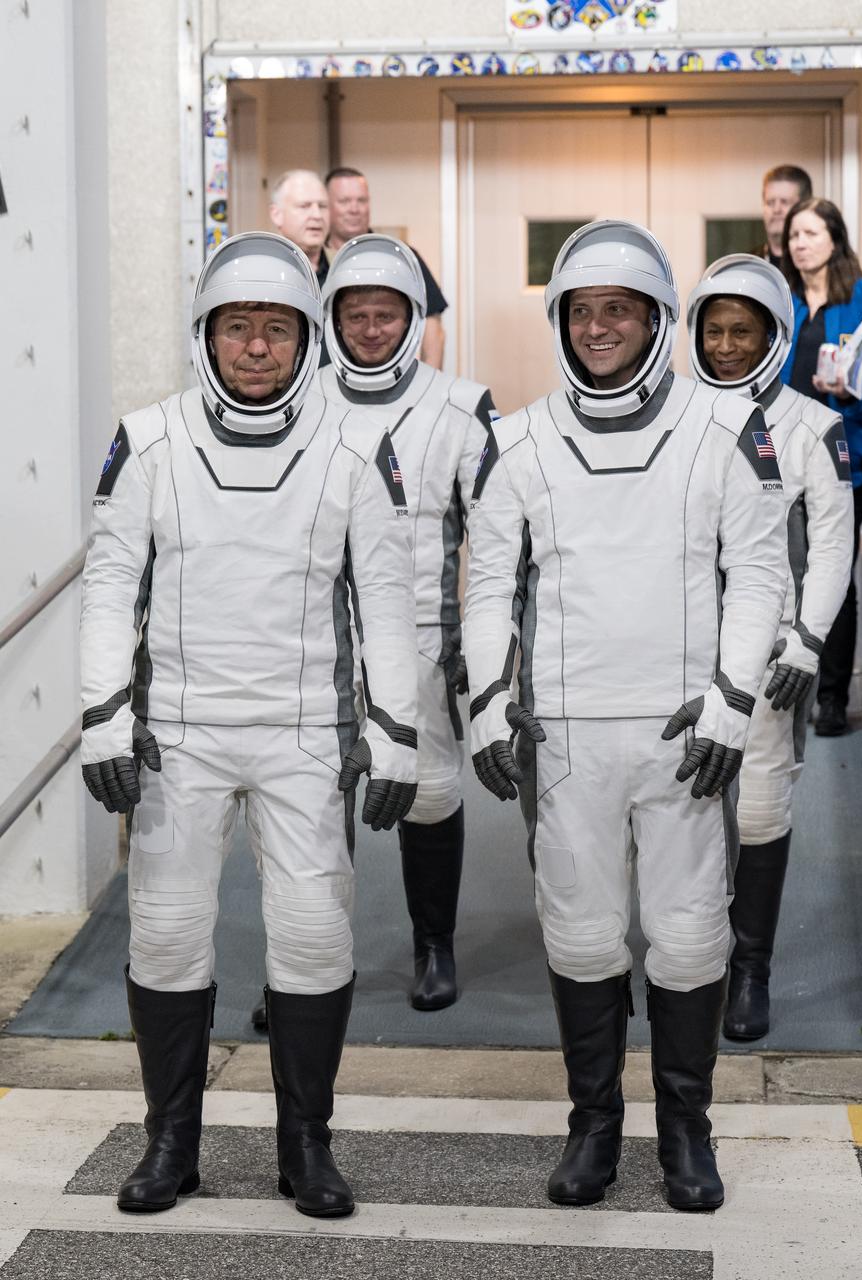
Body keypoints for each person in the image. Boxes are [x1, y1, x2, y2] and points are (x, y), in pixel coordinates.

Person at [79, 231, 418, 1220]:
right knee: (169, 931)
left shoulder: (356, 449)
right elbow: (109, 594)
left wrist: (397, 732)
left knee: (311, 936)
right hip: (176, 729)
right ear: (206, 336)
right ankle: (169, 1142)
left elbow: (387, 606)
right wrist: (104, 718)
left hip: (305, 730)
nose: (258, 348)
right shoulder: (148, 440)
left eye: (276, 330)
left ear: (306, 340)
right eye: (239, 329)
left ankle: (304, 1145)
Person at [464, 221, 789, 1212]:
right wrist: (485, 705)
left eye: (619, 309)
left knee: (690, 937)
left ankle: (684, 1128)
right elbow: (483, 586)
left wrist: (732, 701)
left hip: (682, 733)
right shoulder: (515, 439)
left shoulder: (722, 428)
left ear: (656, 319)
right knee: (581, 932)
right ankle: (594, 1123)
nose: (598, 327)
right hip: (564, 738)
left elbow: (760, 575)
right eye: (581, 310)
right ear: (559, 320)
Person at [320, 233, 494, 1011]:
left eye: (384, 314)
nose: (368, 329)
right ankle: (313, 957)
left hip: (421, 634)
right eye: (353, 314)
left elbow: (496, 539)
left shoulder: (461, 407)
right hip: (313, 635)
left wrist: (480, 645)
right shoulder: (298, 400)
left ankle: (435, 946)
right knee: (315, 797)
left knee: (425, 792)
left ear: (412, 316)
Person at [686, 255, 853, 1040]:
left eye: (741, 332)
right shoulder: (674, 416)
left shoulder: (810, 425)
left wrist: (807, 644)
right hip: (677, 651)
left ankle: (749, 969)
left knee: (756, 811)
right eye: (713, 330)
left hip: (769, 658)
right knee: (672, 808)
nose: (724, 346)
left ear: (773, 337)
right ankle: (690, 960)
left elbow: (830, 545)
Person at [781, 197, 862, 736]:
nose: (799, 243)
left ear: (835, 237)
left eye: (809, 233)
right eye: (793, 236)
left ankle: (831, 697)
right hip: (781, 460)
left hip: (842, 460)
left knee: (835, 576)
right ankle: (785, 684)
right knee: (785, 571)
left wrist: (851, 386)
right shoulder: (780, 302)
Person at [325, 166, 447, 369]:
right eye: (344, 201)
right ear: (327, 206)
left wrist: (431, 391)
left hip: (392, 387)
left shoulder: (402, 258)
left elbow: (434, 332)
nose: (354, 209)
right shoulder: (314, 263)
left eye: (361, 200)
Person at [269, 169, 331, 286]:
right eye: (304, 206)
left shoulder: (342, 268)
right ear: (276, 215)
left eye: (322, 206)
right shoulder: (259, 271)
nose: (317, 215)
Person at [760, 165, 812, 270]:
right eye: (770, 202)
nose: (776, 209)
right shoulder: (748, 267)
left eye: (785, 202)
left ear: (805, 206)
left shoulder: (817, 267)